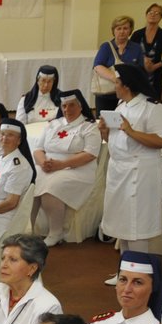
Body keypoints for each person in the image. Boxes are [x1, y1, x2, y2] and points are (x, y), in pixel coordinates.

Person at [100, 64, 162, 255]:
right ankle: (124, 271)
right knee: (122, 225)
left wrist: (131, 131)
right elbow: (116, 141)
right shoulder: (121, 106)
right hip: (118, 171)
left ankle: (138, 272)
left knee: (136, 227)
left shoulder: (152, 108)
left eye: (116, 82)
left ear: (126, 85)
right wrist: (105, 132)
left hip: (139, 172)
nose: (114, 86)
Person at [31, 90, 100, 247]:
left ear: (80, 106)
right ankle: (29, 229)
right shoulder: (53, 125)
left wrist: (61, 165)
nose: (67, 110)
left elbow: (90, 154)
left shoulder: (89, 127)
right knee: (31, 183)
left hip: (77, 169)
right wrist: (43, 163)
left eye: (71, 106)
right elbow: (38, 149)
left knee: (51, 187)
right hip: (48, 167)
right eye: (64, 106)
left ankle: (56, 232)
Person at [0, 119, 36, 277]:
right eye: (2, 134)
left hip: (1, 217)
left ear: (19, 141)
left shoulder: (19, 166)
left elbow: (11, 203)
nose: (4, 138)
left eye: (10, 135)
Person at [92, 16, 143, 113]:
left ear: (130, 30)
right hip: (106, 94)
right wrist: (117, 79)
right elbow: (98, 66)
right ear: (113, 30)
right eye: (118, 28)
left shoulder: (136, 48)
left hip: (128, 95)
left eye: (125, 28)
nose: (122, 31)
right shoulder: (106, 47)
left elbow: (140, 70)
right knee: (105, 123)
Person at [138, 4, 162, 100]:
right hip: (139, 72)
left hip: (155, 74)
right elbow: (131, 52)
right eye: (150, 12)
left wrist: (154, 67)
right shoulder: (137, 34)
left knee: (154, 100)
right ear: (146, 15)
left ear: (161, 17)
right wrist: (144, 60)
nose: (153, 15)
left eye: (157, 13)